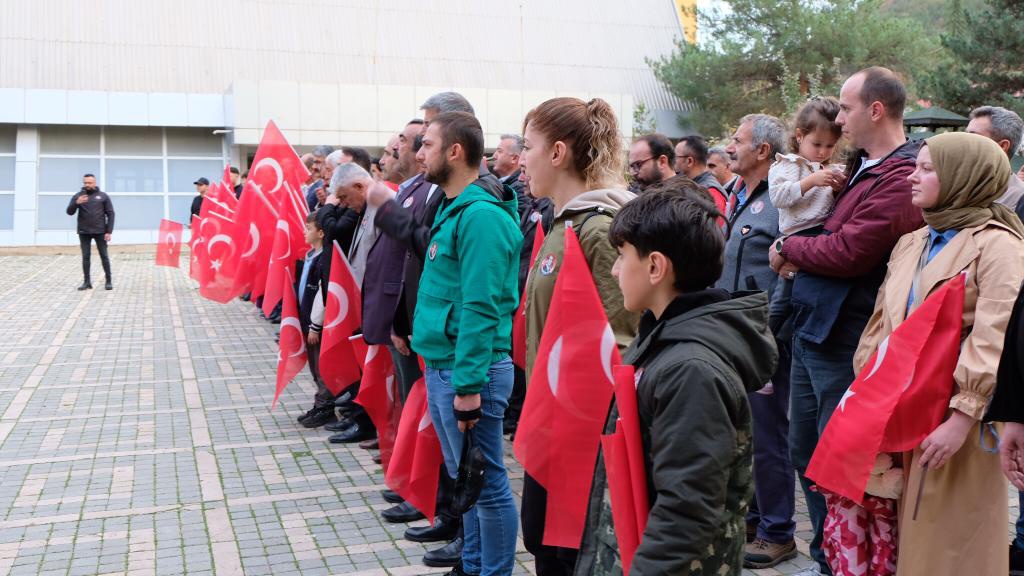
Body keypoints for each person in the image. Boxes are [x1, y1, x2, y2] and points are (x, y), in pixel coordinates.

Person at [575, 185, 777, 576]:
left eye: (621, 257)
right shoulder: (663, 338)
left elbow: (687, 510)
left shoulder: (690, 370)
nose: (615, 270)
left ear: (655, 267)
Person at [769, 67, 925, 575]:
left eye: (846, 107)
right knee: (807, 453)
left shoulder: (902, 174)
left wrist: (787, 247)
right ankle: (828, 555)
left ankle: (849, 561)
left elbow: (850, 251)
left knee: (844, 461)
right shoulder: (860, 166)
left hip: (846, 337)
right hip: (814, 325)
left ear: (875, 110)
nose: (838, 118)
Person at [851, 132, 1024, 575]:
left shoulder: (999, 246)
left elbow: (995, 335)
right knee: (907, 537)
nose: (913, 175)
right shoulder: (914, 240)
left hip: (956, 422)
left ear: (965, 177)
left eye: (928, 169)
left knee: (950, 545)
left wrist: (962, 416)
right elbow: (880, 325)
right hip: (898, 411)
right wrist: (863, 400)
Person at [518, 97, 638, 575]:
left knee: (565, 555)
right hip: (552, 421)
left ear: (557, 153)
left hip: (582, 439)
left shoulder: (599, 228)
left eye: (527, 146)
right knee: (543, 542)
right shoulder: (562, 222)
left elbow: (623, 341)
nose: (519, 158)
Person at [411, 111, 521, 576]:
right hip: (446, 364)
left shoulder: (479, 216)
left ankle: (492, 571)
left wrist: (469, 384)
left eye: (427, 144)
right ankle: (474, 565)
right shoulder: (454, 207)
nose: (419, 153)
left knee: (489, 483)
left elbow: (481, 308)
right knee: (467, 479)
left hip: (469, 369)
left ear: (455, 151)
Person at [717, 114, 798, 569]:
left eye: (738, 139)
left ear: (763, 150)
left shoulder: (784, 199)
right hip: (732, 333)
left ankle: (778, 531)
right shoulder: (737, 194)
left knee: (768, 437)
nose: (731, 146)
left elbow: (786, 271)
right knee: (742, 434)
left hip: (762, 336)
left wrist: (769, 329)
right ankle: (753, 516)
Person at [294, 212, 333, 428]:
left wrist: (315, 325)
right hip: (305, 320)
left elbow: (322, 296)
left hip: (315, 326)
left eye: (308, 229)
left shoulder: (323, 259)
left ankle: (326, 406)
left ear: (320, 232)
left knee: (321, 368)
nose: (304, 232)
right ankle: (320, 403)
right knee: (313, 366)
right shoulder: (309, 256)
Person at [965, 105, 1024, 209]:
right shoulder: (954, 186)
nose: (963, 142)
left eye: (973, 137)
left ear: (1002, 146)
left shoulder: (1019, 200)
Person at [67, 173, 115, 291]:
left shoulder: (103, 196)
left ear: (94, 183)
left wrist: (109, 231)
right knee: (86, 257)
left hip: (100, 231)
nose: (87, 185)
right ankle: (87, 282)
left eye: (89, 183)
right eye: (85, 183)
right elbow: (69, 212)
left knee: (104, 256)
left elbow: (110, 213)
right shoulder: (78, 196)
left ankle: (108, 281)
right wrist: (76, 203)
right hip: (84, 231)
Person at [674, 134, 728, 213]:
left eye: (676, 156)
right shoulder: (691, 185)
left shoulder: (711, 192)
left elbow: (717, 224)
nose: (673, 160)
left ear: (689, 161)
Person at [492, 134, 526, 209]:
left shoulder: (521, 186)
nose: (494, 156)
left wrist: (484, 176)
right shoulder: (504, 184)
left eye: (499, 151)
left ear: (514, 158)